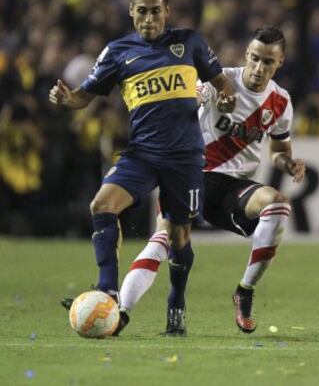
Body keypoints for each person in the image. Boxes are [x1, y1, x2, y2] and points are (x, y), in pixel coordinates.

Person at [49, 0, 235, 336]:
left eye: (155, 10)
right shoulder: (117, 52)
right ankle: (108, 289)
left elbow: (221, 83)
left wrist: (224, 97)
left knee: (179, 238)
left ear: (166, 11)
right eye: (141, 11)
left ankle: (176, 303)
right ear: (131, 11)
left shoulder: (190, 42)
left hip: (184, 157)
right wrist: (65, 99)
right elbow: (84, 96)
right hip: (143, 153)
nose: (149, 18)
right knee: (102, 204)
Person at [118, 26, 306, 335]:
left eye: (268, 62)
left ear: (280, 62)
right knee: (164, 241)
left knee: (278, 206)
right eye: (255, 59)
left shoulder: (281, 102)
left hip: (232, 190)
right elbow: (183, 103)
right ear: (247, 55)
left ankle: (244, 291)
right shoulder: (220, 81)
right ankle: (121, 312)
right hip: (192, 176)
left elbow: (278, 151)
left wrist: (289, 163)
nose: (259, 68)